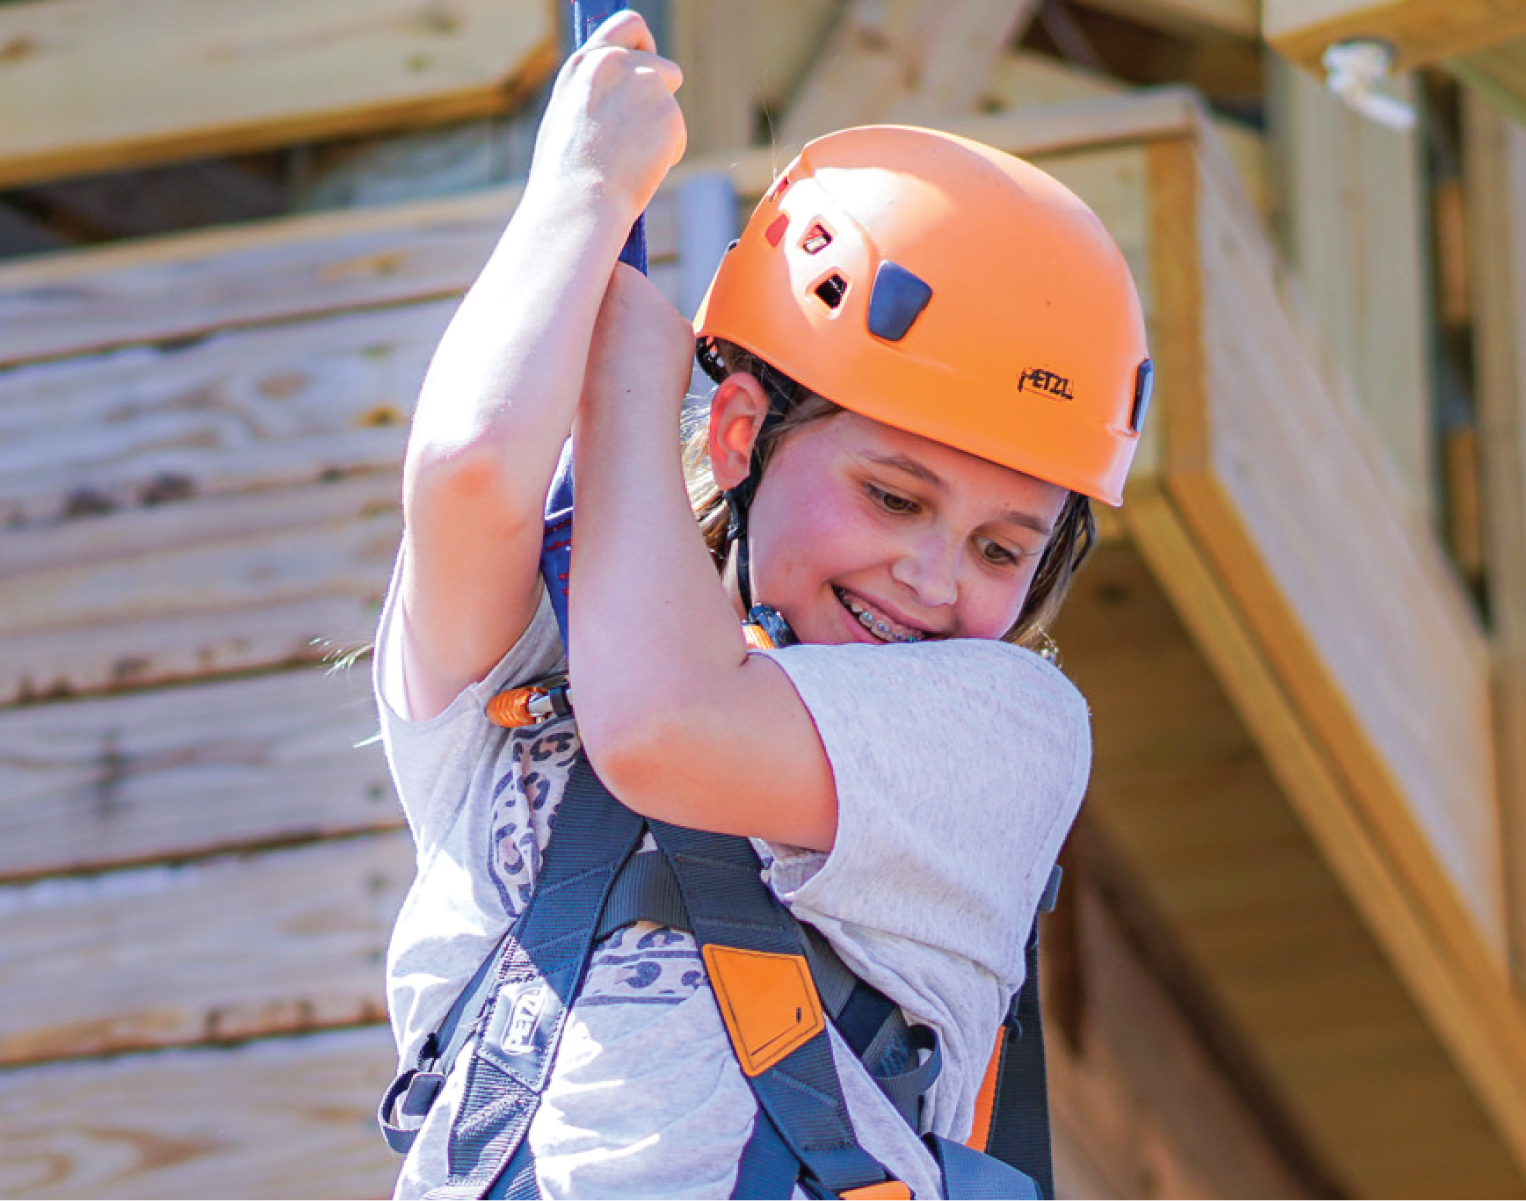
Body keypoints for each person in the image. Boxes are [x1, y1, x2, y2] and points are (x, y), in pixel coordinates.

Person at [374, 9, 1151, 1200]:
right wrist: (578, 192)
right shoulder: (536, 660)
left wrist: (628, 387)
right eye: (893, 498)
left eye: (1002, 548)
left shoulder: (999, 732)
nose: (935, 579)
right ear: (740, 432)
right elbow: (471, 470)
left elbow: (665, 730)